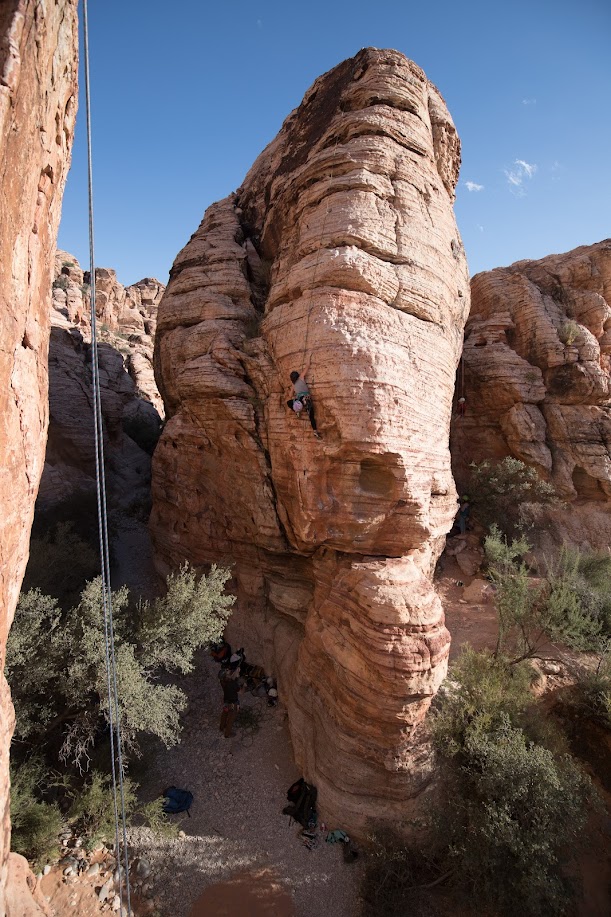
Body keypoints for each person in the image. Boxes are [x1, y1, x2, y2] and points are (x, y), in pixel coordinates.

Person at [287, 357, 320, 438]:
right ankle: (315, 431)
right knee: (311, 416)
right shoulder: (301, 377)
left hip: (299, 400)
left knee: (289, 402)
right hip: (307, 397)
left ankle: (297, 409)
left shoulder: (293, 384)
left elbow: (290, 395)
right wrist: (308, 357)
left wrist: (292, 388)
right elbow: (307, 366)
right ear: (297, 375)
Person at [219, 669, 241, 738]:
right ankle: (227, 734)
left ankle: (222, 727)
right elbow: (239, 690)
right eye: (227, 673)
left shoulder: (222, 681)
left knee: (225, 713)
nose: (228, 672)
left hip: (226, 701)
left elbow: (231, 679)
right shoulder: (232, 683)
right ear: (226, 676)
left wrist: (236, 673)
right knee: (231, 718)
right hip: (233, 703)